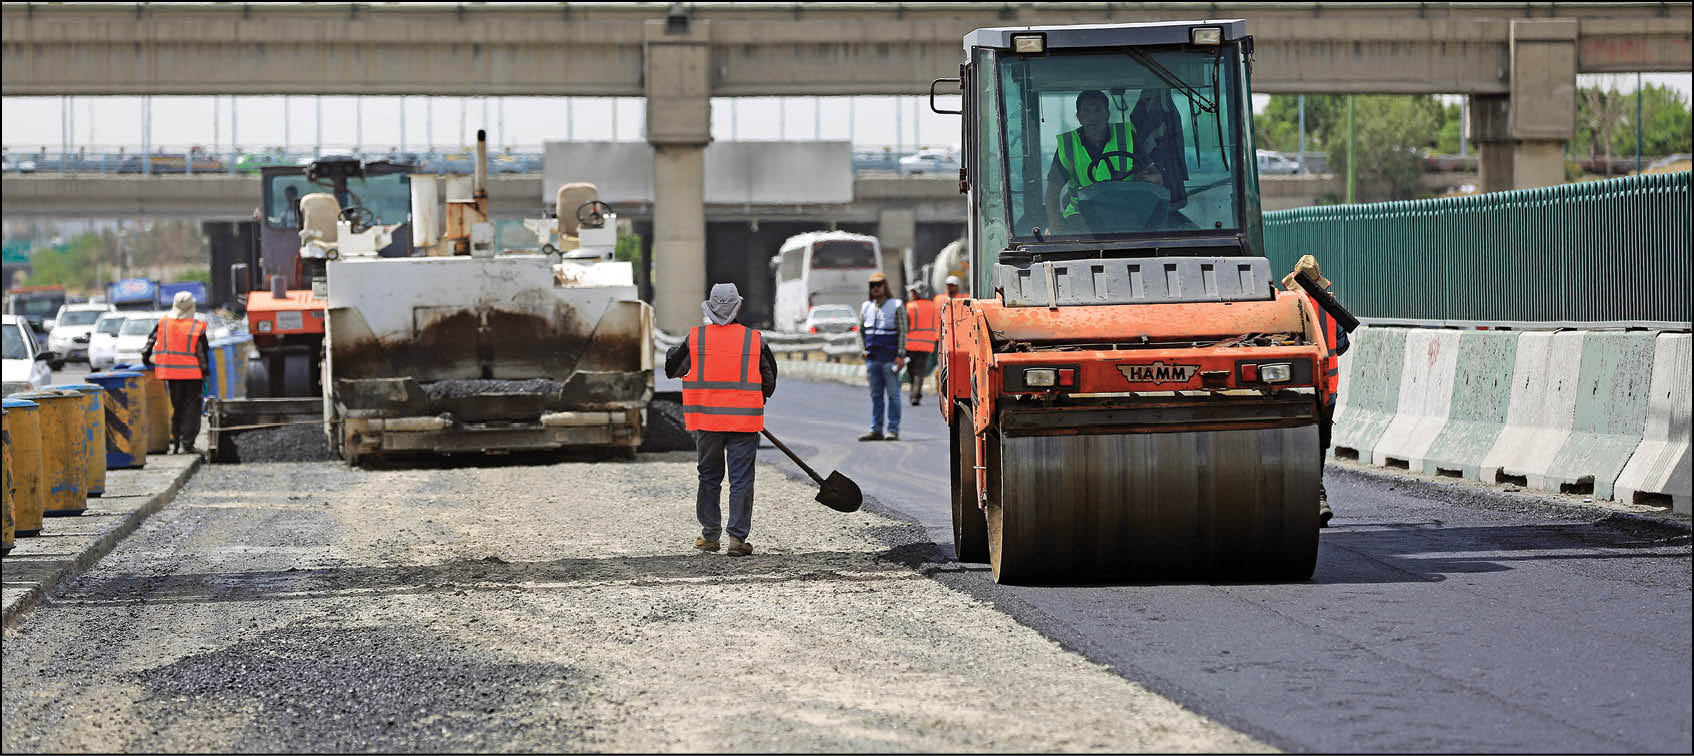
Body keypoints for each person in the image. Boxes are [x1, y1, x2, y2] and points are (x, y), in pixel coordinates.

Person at [664, 283, 778, 558]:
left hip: (708, 422)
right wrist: (753, 397)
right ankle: (737, 539)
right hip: (745, 423)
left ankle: (709, 535)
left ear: (710, 309)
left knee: (709, 477)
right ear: (738, 307)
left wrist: (671, 352)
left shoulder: (696, 339)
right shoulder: (754, 340)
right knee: (741, 479)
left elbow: (672, 369)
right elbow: (769, 381)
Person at [1283, 255, 1349, 527]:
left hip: (1294, 388)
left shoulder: (1286, 305)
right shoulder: (1330, 306)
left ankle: (1304, 497)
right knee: (1319, 442)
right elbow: (1342, 346)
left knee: (1292, 443)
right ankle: (1317, 494)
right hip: (1326, 388)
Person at [1043, 90, 1163, 232]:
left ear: (1107, 114)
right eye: (1086, 111)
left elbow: (1157, 177)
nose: (1093, 117)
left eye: (1098, 110)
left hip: (1126, 213)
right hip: (1081, 217)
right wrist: (1055, 223)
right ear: (1079, 117)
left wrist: (1143, 181)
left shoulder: (1126, 136)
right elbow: (1052, 193)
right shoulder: (1068, 145)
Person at [141, 291, 210, 455]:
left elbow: (149, 344)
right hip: (192, 375)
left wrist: (146, 360)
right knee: (191, 408)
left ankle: (176, 442)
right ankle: (188, 442)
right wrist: (206, 372)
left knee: (177, 407)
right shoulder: (196, 326)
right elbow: (202, 353)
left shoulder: (164, 322)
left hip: (171, 373)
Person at [859, 271, 906, 441]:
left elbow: (902, 332)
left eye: (879, 285)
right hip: (873, 360)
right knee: (876, 396)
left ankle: (893, 429)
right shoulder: (866, 307)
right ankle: (876, 429)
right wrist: (863, 350)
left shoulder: (896, 305)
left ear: (885, 286)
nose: (876, 288)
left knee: (893, 395)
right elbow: (860, 331)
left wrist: (900, 355)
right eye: (872, 285)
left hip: (890, 359)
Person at [905, 282, 940, 406]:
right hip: (927, 344)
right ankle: (916, 394)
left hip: (910, 345)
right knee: (919, 371)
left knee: (912, 371)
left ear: (918, 293)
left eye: (913, 292)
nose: (912, 294)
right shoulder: (933, 306)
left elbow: (905, 325)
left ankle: (914, 394)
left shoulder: (910, 306)